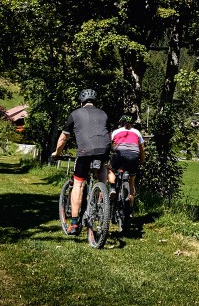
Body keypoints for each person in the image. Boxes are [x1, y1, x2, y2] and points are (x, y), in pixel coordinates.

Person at [51, 89, 111, 235]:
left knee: (78, 183)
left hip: (85, 152)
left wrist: (56, 153)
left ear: (81, 102)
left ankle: (74, 223)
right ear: (95, 102)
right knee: (102, 169)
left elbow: (64, 138)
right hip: (104, 149)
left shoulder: (75, 114)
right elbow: (109, 135)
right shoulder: (103, 114)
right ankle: (101, 201)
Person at [108, 114, 145, 213]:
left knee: (110, 170)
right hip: (134, 157)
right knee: (132, 182)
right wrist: (142, 160)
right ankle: (131, 209)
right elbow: (142, 148)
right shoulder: (137, 132)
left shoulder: (116, 131)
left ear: (121, 123)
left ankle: (112, 188)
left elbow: (109, 144)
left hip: (119, 156)